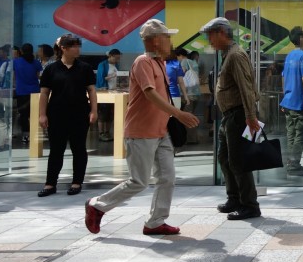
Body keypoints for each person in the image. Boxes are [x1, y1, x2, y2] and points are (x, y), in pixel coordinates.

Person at [84, 21, 199, 234]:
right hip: (141, 132)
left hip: (161, 130)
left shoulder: (159, 63)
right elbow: (150, 93)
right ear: (156, 40)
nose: (171, 42)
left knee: (167, 177)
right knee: (139, 181)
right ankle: (97, 205)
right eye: (167, 38)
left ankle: (155, 222)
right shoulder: (143, 62)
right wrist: (179, 113)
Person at [201, 17, 262, 221]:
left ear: (221, 33)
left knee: (239, 161)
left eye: (210, 35)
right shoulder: (228, 54)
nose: (210, 41)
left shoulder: (235, 55)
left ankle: (250, 205)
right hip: (229, 116)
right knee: (225, 158)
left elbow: (246, 88)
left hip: (239, 115)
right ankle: (234, 198)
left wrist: (250, 116)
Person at [37, 35, 97, 197]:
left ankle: (77, 181)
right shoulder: (51, 69)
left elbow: (91, 90)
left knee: (79, 148)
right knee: (56, 149)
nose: (78, 49)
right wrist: (42, 114)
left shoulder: (85, 68)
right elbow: (44, 93)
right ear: (63, 48)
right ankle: (50, 183)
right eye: (74, 46)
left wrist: (94, 110)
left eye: (79, 46)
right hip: (56, 113)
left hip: (79, 113)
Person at [279, 27, 303, 177]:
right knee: (300, 134)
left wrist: (284, 96)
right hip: (299, 102)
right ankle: (294, 164)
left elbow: (283, 78)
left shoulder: (289, 56)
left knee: (291, 134)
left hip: (288, 102)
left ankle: (291, 162)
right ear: (300, 38)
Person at [13, 43, 42, 144]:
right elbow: (39, 77)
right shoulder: (36, 63)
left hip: (21, 91)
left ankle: (26, 135)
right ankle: (35, 134)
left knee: (23, 115)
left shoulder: (15, 62)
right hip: (35, 91)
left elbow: (13, 76)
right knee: (34, 114)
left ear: (21, 51)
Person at [95, 48, 121, 142]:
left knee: (110, 113)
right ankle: (101, 133)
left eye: (118, 58)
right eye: (116, 58)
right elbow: (100, 79)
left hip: (114, 91)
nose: (117, 60)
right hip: (105, 91)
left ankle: (107, 132)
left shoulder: (116, 65)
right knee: (102, 113)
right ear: (110, 56)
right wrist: (112, 76)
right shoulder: (102, 65)